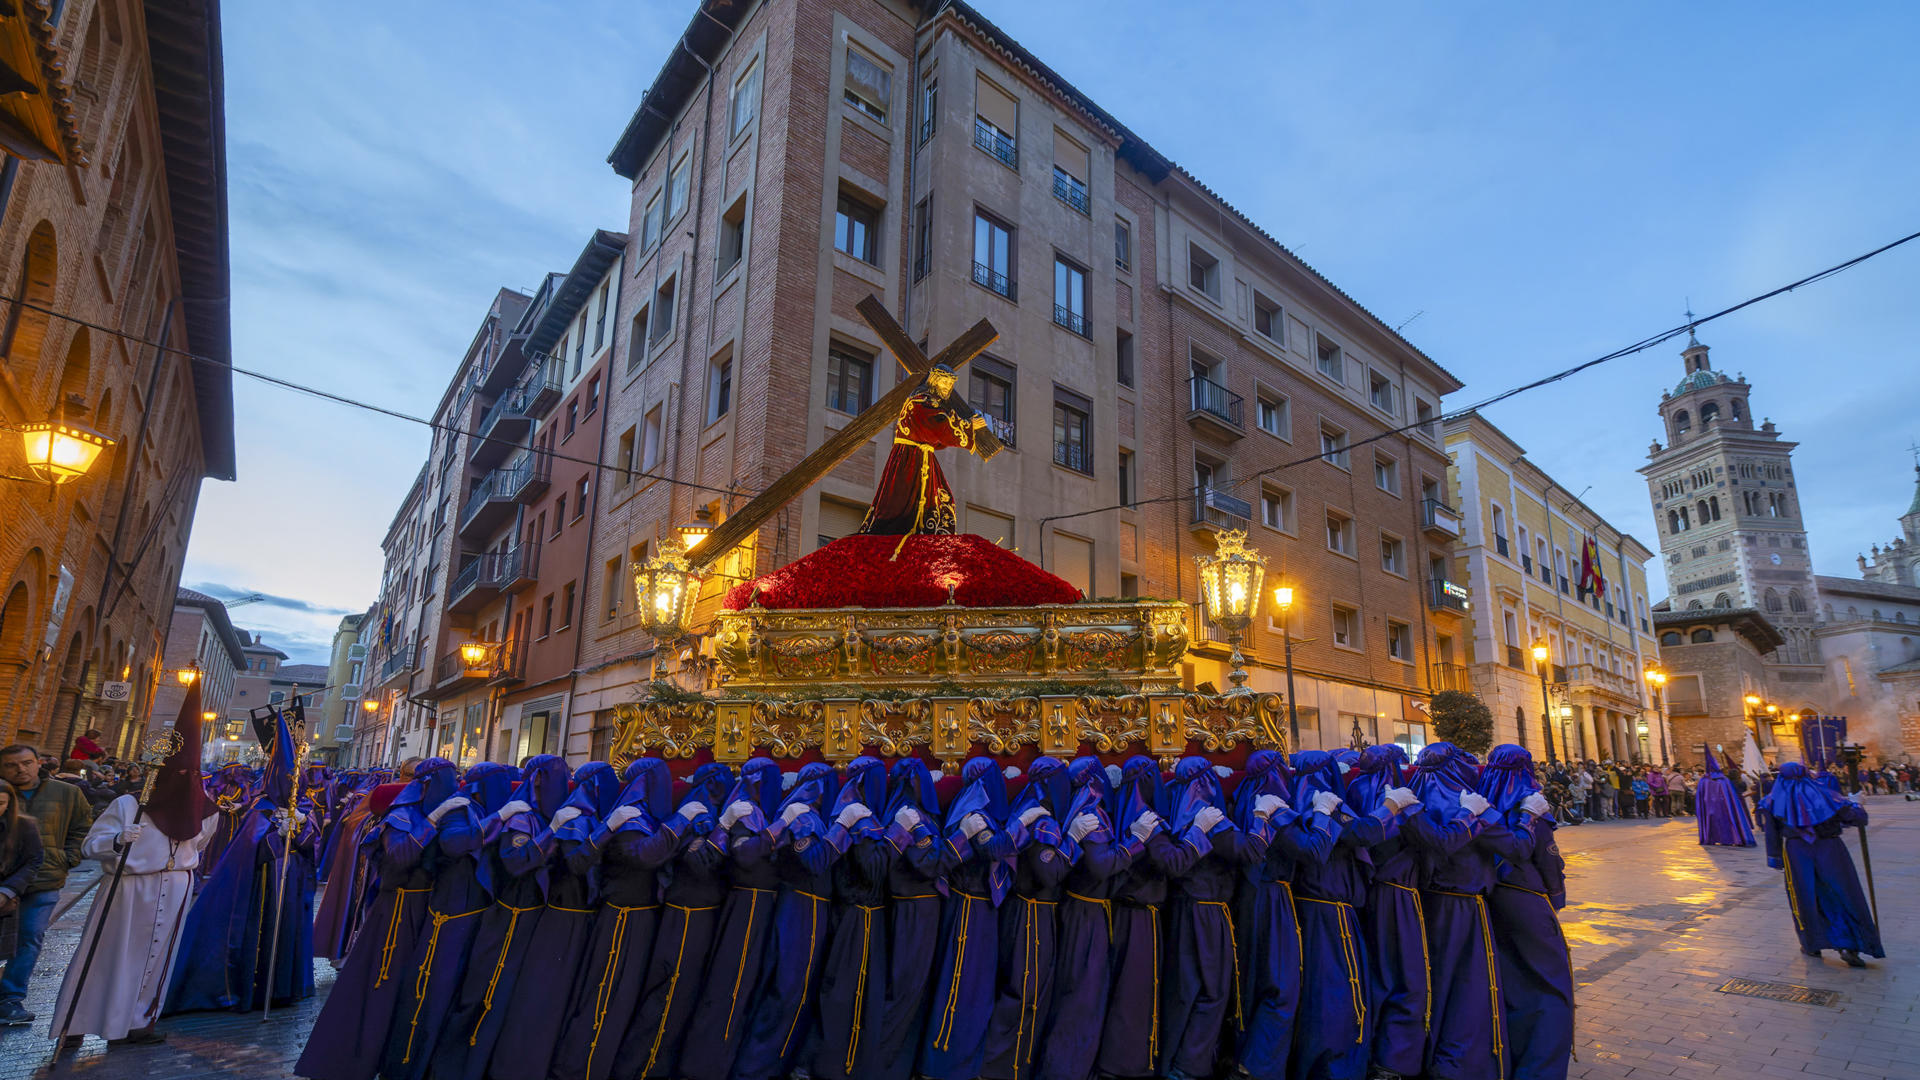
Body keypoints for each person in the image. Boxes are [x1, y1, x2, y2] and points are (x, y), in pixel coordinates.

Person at [51, 686, 216, 1046]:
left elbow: (198, 844)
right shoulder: (129, 806)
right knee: (108, 955)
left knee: (156, 961)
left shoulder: (206, 812)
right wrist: (118, 840)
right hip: (128, 889)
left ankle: (138, 1021)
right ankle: (77, 1021)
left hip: (175, 886)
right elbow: (91, 846)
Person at [164, 706, 320, 1014]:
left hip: (291, 887)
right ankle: (254, 988)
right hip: (263, 890)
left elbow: (311, 845)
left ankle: (284, 988)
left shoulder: (303, 807)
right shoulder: (261, 809)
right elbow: (253, 848)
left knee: (287, 935)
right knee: (262, 937)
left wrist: (300, 826)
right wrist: (277, 833)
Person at [1479, 745, 1574, 1080]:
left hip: (1490, 900)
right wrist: (1556, 899)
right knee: (1549, 985)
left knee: (1509, 982)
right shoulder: (1529, 801)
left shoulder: (1481, 800)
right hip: (1527, 897)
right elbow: (1547, 859)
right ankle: (1542, 1066)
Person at [0, 742, 92, 1026]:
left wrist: (67, 857)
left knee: (29, 937)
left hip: (43, 879)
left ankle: (10, 998)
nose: (21, 769)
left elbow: (82, 827)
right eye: (12, 765)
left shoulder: (66, 793)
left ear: (39, 762)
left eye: (27, 762)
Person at [1758, 762, 1883, 967]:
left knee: (1805, 896)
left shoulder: (1772, 801)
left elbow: (1772, 834)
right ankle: (1850, 944)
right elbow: (1856, 818)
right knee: (1841, 892)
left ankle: (1812, 943)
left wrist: (1775, 859)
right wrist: (1857, 804)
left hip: (1798, 853)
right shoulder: (1826, 795)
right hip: (1831, 849)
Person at [857, 363, 994, 542]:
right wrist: (968, 426)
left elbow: (935, 436)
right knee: (908, 505)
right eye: (944, 383)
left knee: (939, 500)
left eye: (950, 385)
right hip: (911, 459)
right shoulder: (921, 402)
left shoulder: (930, 403)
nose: (947, 388)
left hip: (921, 456)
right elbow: (937, 426)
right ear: (934, 380)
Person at [1694, 748, 1755, 847]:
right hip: (1725, 804)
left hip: (1710, 806)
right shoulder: (1723, 780)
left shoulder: (1704, 780)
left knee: (1713, 822)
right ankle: (1730, 837)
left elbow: (1700, 795)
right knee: (1729, 820)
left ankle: (1714, 837)